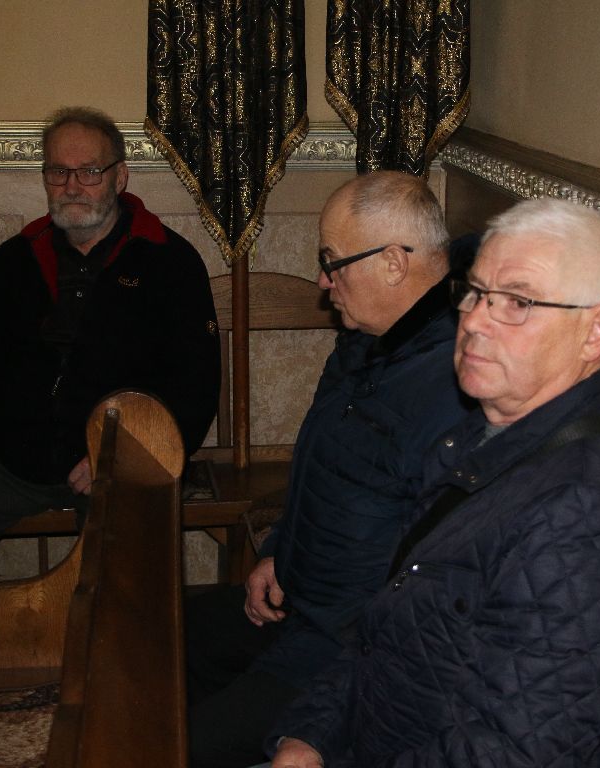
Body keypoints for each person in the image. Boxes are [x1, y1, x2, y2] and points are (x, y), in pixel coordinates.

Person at [267, 197, 600, 767]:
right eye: (474, 293)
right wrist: (310, 734)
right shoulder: (482, 436)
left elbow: (506, 754)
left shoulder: (594, 515)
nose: (473, 321)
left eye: (517, 302)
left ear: (595, 333)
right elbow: (386, 626)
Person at [0, 106, 221, 678]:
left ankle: (120, 684)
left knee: (130, 536)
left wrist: (127, 454)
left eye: (89, 171)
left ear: (120, 176)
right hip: (13, 460)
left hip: (117, 461)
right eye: (58, 172)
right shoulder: (14, 261)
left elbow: (195, 386)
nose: (72, 186)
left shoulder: (169, 262)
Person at [186, 171, 475, 767]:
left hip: (345, 648)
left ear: (394, 263)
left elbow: (428, 586)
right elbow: (322, 469)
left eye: (332, 262)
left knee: (181, 746)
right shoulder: (365, 342)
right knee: (163, 634)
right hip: (298, 600)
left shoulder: (456, 384)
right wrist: (279, 551)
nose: (322, 281)